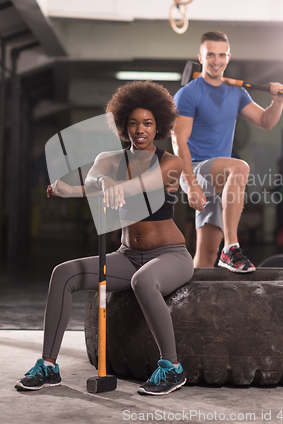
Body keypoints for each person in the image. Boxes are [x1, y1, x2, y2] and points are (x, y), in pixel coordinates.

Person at [15, 81, 194, 396]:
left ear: (159, 126)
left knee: (143, 281)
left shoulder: (170, 163)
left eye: (148, 123)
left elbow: (140, 185)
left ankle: (172, 368)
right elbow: (95, 175)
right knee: (63, 273)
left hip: (170, 256)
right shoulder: (111, 158)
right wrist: (87, 185)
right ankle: (48, 365)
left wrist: (109, 185)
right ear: (124, 125)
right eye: (133, 123)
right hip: (127, 255)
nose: (140, 129)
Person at [172, 31, 283, 271]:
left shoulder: (236, 93)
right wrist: (191, 185)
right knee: (239, 167)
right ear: (201, 58)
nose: (216, 60)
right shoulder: (189, 94)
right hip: (196, 170)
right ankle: (231, 249)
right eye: (210, 54)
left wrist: (277, 102)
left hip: (220, 180)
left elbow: (266, 121)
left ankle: (186, 306)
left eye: (221, 55)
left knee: (205, 254)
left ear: (228, 57)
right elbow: (178, 141)